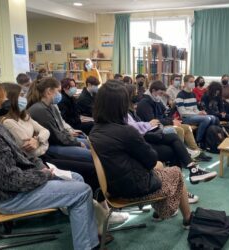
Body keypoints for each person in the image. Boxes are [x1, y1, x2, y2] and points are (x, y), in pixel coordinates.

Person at [0, 79, 99, 250]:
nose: (5, 102)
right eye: (0, 98)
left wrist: (42, 167)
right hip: (7, 197)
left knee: (76, 177)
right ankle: (87, 246)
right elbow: (11, 180)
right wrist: (45, 174)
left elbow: (24, 156)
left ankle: (89, 238)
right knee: (82, 192)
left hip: (14, 187)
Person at [89, 81, 194, 226]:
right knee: (175, 172)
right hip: (131, 188)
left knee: (160, 166)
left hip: (111, 185)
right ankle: (188, 219)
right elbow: (150, 159)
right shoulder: (126, 131)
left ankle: (160, 210)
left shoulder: (95, 130)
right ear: (121, 105)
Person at [136, 80, 212, 162]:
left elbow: (166, 114)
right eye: (160, 93)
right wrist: (171, 122)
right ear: (153, 91)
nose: (161, 96)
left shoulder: (156, 100)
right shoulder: (145, 103)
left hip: (162, 124)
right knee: (179, 129)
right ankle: (182, 155)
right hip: (153, 130)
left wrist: (172, 120)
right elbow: (152, 121)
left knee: (186, 127)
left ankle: (196, 151)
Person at [27, 77, 92, 162]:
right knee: (91, 155)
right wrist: (77, 143)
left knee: (90, 144)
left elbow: (60, 130)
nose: (59, 94)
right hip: (50, 146)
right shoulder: (40, 109)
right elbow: (56, 136)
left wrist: (72, 137)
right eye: (58, 91)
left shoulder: (50, 105)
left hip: (57, 142)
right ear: (49, 91)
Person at [176, 75, 218, 148]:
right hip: (186, 118)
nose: (193, 83)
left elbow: (195, 108)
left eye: (193, 82)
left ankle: (207, 140)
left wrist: (200, 112)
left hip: (194, 116)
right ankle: (198, 141)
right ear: (185, 83)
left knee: (213, 118)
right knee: (206, 119)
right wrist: (197, 113)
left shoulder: (193, 94)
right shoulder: (180, 95)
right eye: (191, 82)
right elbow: (182, 112)